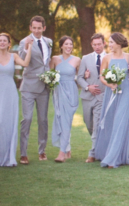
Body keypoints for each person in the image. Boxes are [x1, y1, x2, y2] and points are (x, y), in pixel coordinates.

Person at [94, 33, 129, 168]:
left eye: (111, 42)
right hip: (111, 93)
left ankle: (113, 159)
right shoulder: (107, 58)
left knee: (121, 122)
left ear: (119, 43)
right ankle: (108, 152)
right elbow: (101, 76)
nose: (109, 45)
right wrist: (109, 84)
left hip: (126, 93)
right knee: (110, 122)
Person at [18, 16, 53, 164]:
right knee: (27, 119)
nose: (37, 30)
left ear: (43, 28)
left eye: (39, 28)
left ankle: (42, 151)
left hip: (44, 87)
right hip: (29, 87)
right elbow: (21, 60)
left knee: (43, 120)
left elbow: (47, 63)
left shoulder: (48, 42)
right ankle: (23, 153)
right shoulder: (24, 41)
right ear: (30, 28)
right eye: (34, 28)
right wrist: (27, 47)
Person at [0, 33, 32, 167]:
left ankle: (8, 156)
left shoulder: (14, 56)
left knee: (8, 122)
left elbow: (25, 63)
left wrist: (29, 47)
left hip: (10, 93)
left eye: (4, 41)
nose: (1, 42)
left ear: (9, 44)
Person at [50, 36, 81, 163]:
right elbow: (49, 74)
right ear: (61, 46)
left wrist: (87, 76)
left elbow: (80, 77)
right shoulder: (55, 59)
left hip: (71, 92)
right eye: (66, 44)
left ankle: (62, 152)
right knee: (61, 119)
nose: (69, 46)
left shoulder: (77, 60)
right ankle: (66, 149)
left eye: (71, 44)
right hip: (58, 92)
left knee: (66, 121)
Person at [76, 33, 107, 163]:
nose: (97, 47)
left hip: (102, 96)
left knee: (97, 125)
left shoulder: (109, 58)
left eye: (99, 44)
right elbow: (79, 78)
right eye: (94, 45)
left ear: (104, 43)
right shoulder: (85, 58)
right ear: (91, 45)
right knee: (88, 123)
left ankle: (93, 153)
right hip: (87, 97)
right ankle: (100, 146)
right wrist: (88, 87)